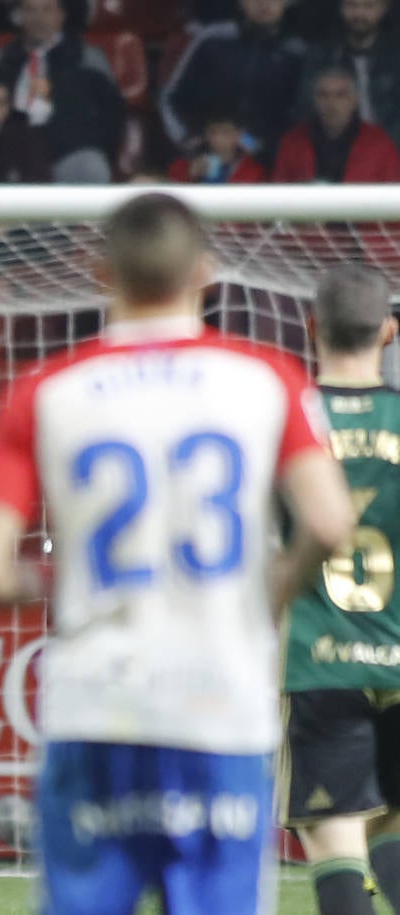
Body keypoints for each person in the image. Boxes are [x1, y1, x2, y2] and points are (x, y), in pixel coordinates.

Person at [0, 192, 355, 913]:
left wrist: (61, 579)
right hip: (220, 704)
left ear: (98, 270)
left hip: (95, 704)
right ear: (207, 270)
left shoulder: (44, 390)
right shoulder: (269, 378)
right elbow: (328, 522)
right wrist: (267, 593)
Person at [281, 264, 400, 915]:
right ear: (389, 329)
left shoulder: (290, 421)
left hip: (319, 657)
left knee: (336, 837)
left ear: (313, 327)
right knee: (393, 825)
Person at [0, 0, 123, 184]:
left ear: (61, 15)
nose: (39, 18)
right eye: (31, 11)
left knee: (90, 165)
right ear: (19, 17)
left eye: (47, 10)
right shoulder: (2, 59)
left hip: (69, 154)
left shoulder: (87, 58)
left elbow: (113, 113)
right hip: (14, 157)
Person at [162, 0, 306, 168]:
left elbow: (300, 115)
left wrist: (256, 146)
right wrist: (186, 138)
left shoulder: (297, 53)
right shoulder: (212, 40)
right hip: (203, 155)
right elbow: (171, 99)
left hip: (266, 162)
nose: (264, 4)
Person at [297, 0, 400, 148]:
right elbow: (306, 107)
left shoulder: (395, 55)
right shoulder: (323, 55)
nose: (359, 13)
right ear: (341, 8)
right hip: (335, 148)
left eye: (368, 6)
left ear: (382, 10)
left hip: (390, 148)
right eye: (351, 5)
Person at [274, 65, 400, 182]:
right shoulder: (292, 143)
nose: (331, 103)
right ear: (314, 100)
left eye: (340, 95)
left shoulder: (380, 144)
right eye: (323, 95)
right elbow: (277, 195)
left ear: (355, 100)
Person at [167, 110, 266, 183]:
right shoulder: (187, 164)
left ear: (239, 135)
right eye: (213, 132)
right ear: (205, 134)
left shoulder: (252, 169)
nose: (218, 139)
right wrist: (190, 174)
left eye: (226, 133)